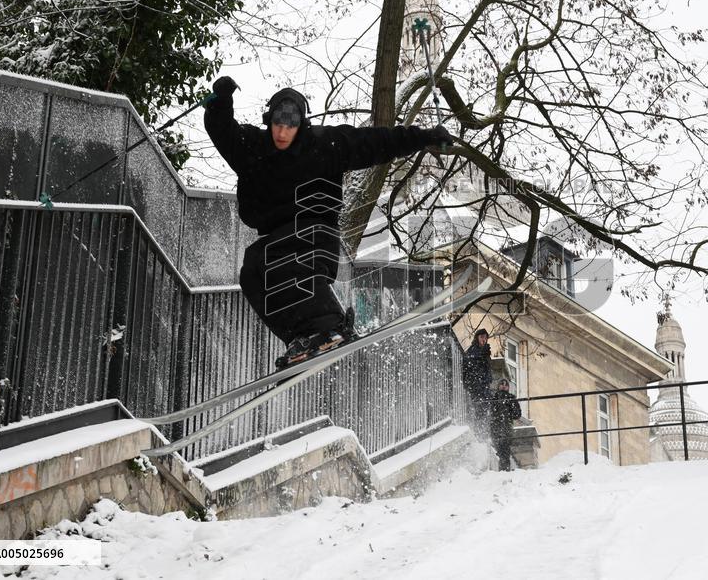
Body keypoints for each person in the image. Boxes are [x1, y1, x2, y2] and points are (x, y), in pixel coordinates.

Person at [203, 77, 452, 368]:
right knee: (252, 273)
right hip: (277, 237)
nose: (282, 134)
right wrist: (221, 101)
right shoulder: (254, 147)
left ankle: (331, 324)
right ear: (269, 121)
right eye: (277, 126)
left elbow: (378, 141)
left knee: (277, 255)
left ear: (301, 124)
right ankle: (301, 336)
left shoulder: (326, 144)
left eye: (290, 127)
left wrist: (426, 137)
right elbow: (224, 133)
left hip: (316, 234)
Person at [462, 328, 493, 428]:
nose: (484, 339)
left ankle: (481, 427)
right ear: (477, 338)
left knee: (484, 410)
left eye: (485, 337)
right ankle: (476, 427)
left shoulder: (486, 352)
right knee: (477, 409)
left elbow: (487, 368)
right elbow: (470, 365)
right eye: (482, 337)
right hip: (476, 385)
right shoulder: (472, 350)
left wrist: (488, 379)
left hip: (484, 386)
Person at [489, 378, 522, 471]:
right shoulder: (494, 398)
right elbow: (490, 412)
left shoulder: (511, 398)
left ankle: (505, 470)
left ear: (508, 387)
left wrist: (510, 410)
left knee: (505, 450)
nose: (504, 386)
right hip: (495, 427)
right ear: (498, 386)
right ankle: (501, 470)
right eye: (502, 384)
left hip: (506, 428)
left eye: (506, 385)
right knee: (498, 449)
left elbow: (517, 414)